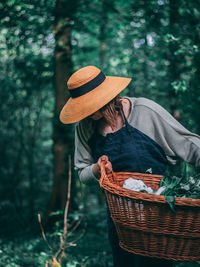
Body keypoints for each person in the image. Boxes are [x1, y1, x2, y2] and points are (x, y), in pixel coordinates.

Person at [60, 65, 200, 267]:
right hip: (119, 216)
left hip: (157, 214)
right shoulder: (84, 127)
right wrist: (96, 170)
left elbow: (188, 144)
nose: (88, 111)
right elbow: (81, 171)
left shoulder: (144, 111)